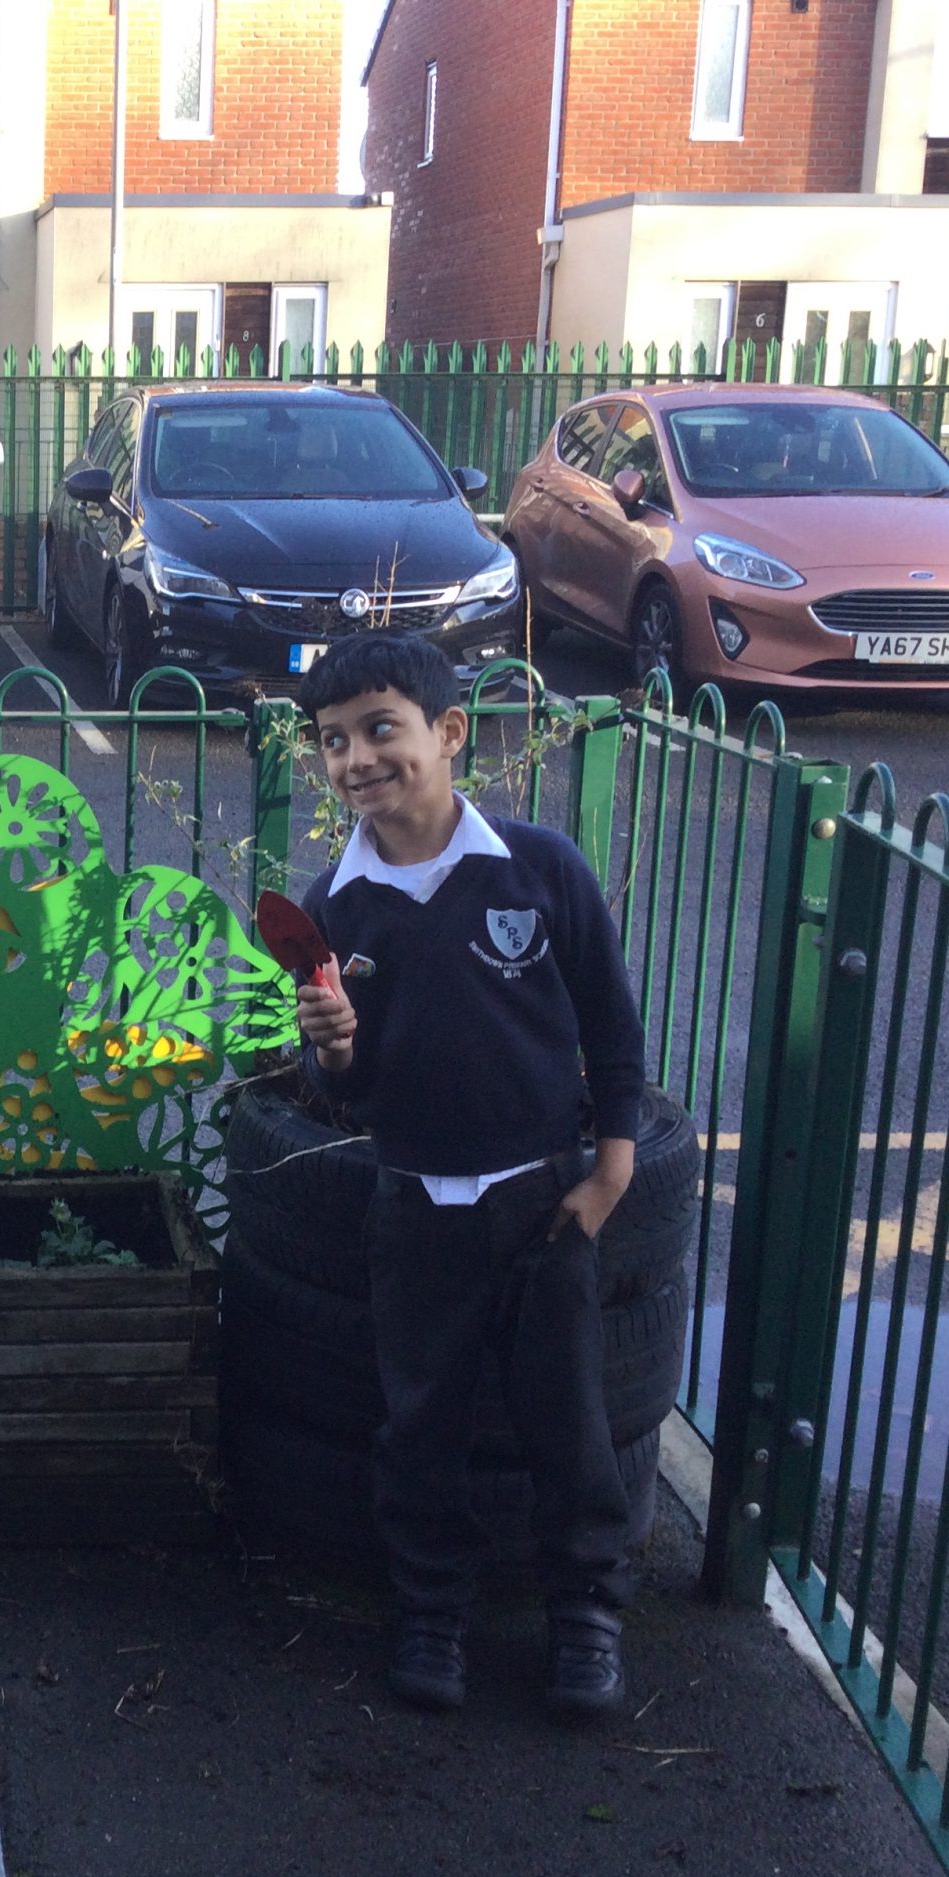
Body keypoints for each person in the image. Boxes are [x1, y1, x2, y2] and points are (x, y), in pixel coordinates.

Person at [290, 632, 645, 1720]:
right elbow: (345, 1088)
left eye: (379, 729)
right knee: (420, 1423)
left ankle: (585, 1614)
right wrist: (332, 1050)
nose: (356, 759)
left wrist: (611, 1169)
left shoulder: (539, 869)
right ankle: (432, 1612)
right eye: (332, 741)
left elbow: (610, 1025)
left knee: (568, 1420)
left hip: (544, 1204)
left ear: (448, 733)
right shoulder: (336, 906)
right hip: (413, 1203)